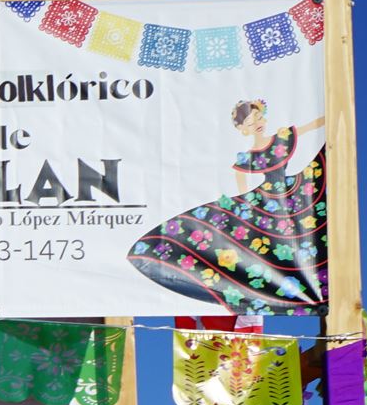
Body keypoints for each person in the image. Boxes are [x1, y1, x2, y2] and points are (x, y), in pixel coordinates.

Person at [127, 100, 329, 314]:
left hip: (295, 193)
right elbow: (241, 188)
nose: (258, 124)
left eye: (259, 118)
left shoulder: (281, 136)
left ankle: (316, 286)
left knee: (311, 228)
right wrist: (242, 212)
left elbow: (313, 126)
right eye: (251, 122)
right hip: (266, 199)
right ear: (243, 130)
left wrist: (330, 119)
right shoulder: (247, 158)